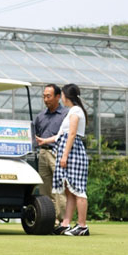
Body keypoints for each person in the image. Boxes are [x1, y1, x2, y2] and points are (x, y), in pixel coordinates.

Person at [36, 83, 89, 236]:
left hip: (73, 153)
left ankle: (82, 225)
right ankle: (66, 223)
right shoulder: (72, 111)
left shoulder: (75, 111)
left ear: (64, 96)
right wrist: (44, 141)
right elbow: (61, 135)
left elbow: (72, 134)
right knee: (69, 190)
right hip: (67, 151)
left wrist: (64, 156)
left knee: (78, 190)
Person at [34, 84, 68, 224]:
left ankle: (61, 221)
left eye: (48, 96)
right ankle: (48, 219)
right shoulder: (40, 116)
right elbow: (34, 135)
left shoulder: (66, 115)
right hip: (43, 153)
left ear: (58, 97)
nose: (45, 99)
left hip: (58, 153)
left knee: (59, 187)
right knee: (45, 187)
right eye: (44, 96)